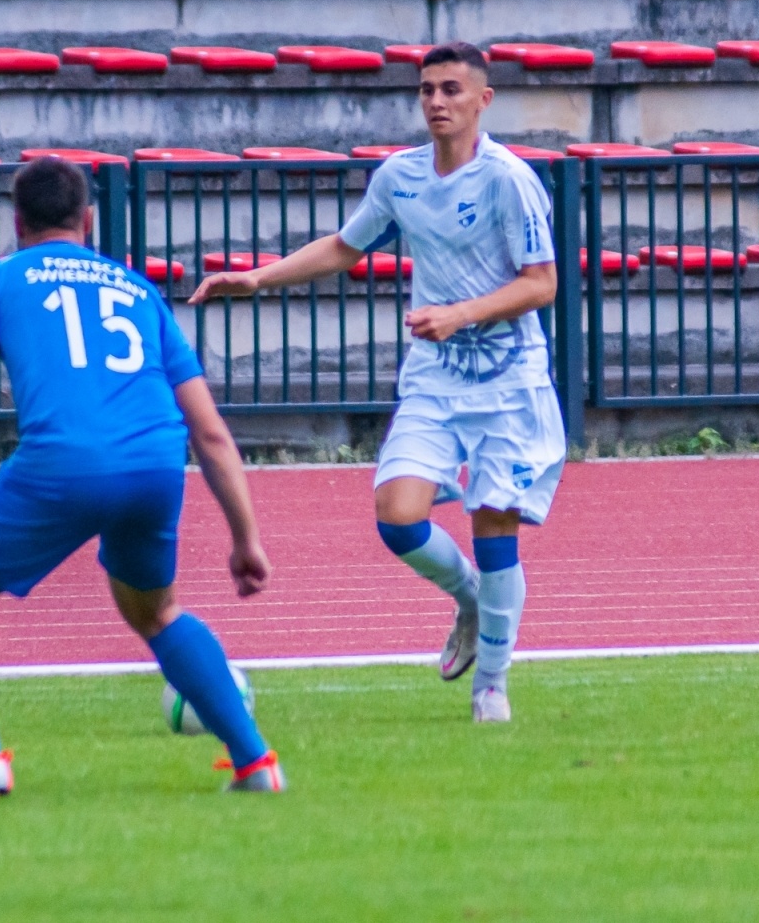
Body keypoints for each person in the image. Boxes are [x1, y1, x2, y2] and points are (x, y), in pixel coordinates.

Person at [0, 156, 284, 797]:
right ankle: (256, 763)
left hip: (64, 463)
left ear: (16, 221)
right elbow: (211, 432)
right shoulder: (138, 290)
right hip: (154, 465)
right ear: (87, 219)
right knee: (158, 612)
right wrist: (245, 536)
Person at [189, 41, 562, 724]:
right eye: (426, 90)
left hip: (510, 384)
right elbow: (345, 245)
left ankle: (492, 690)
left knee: (493, 523)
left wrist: (461, 313)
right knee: (397, 514)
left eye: (451, 89)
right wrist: (258, 278)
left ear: (484, 100)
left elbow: (543, 283)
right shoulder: (400, 177)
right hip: (435, 379)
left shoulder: (509, 180)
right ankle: (473, 603)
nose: (436, 102)